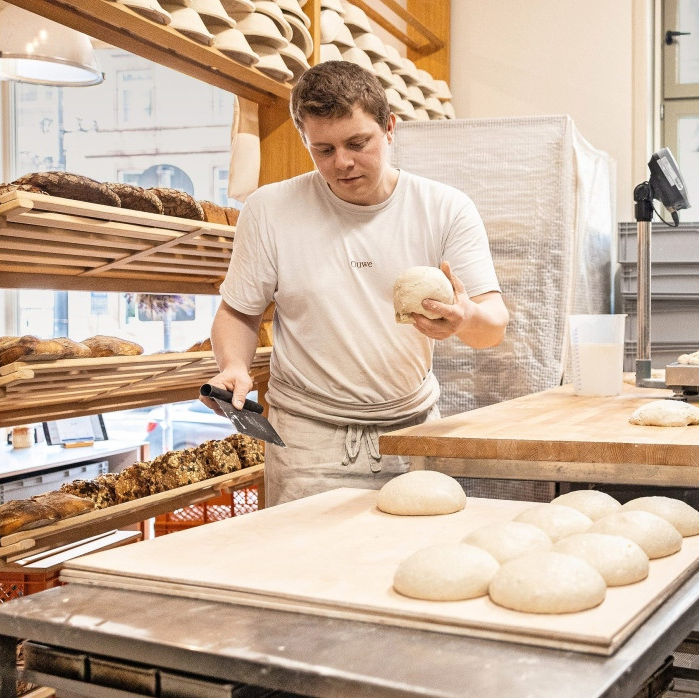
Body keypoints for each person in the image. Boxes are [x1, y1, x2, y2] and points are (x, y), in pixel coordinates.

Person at [204, 61, 509, 506]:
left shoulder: (445, 208)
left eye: (357, 143)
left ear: (389, 128)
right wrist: (234, 364)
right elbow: (238, 311)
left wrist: (465, 319)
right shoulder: (270, 210)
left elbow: (493, 326)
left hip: (413, 432)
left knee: (412, 567)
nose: (342, 162)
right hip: (307, 442)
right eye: (322, 150)